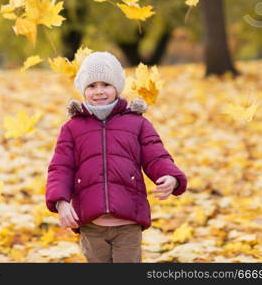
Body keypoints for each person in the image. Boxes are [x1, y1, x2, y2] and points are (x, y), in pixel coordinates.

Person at [45, 51, 187, 263]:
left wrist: (170, 176)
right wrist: (61, 202)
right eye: (92, 86)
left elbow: (156, 155)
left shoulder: (137, 123)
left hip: (128, 221)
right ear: (83, 89)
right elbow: (61, 167)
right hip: (90, 223)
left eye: (106, 85)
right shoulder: (72, 128)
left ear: (117, 87)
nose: (99, 91)